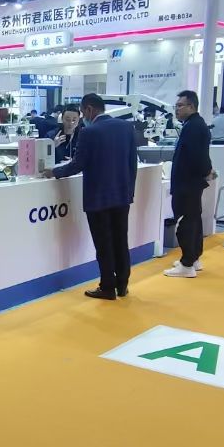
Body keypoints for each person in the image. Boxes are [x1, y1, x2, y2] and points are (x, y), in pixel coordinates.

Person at [49, 93, 138, 301]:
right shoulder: (126, 128)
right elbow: (131, 163)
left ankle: (107, 287)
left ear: (89, 110)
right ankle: (122, 285)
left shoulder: (89, 132)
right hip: (122, 196)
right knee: (120, 240)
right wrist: (129, 191)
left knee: (103, 244)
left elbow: (78, 164)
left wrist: (54, 172)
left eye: (82, 112)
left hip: (98, 198)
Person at [165, 90, 213, 279]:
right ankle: (193, 258)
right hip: (190, 182)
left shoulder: (193, 127)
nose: (176, 109)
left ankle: (187, 264)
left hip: (187, 183)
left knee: (185, 222)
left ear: (191, 106)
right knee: (193, 220)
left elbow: (198, 156)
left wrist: (206, 171)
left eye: (180, 106)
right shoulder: (195, 125)